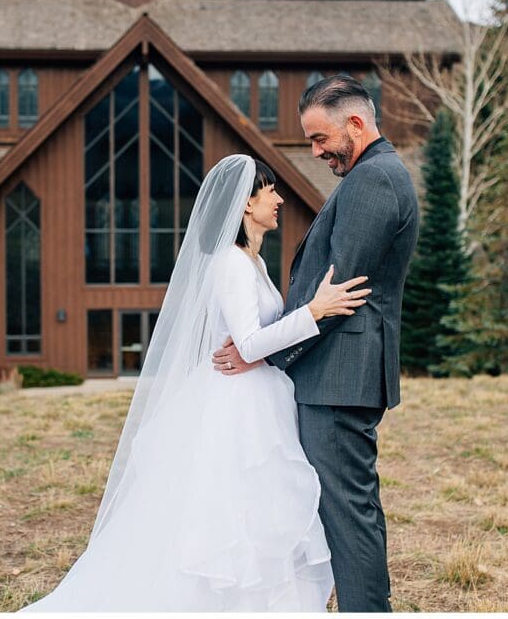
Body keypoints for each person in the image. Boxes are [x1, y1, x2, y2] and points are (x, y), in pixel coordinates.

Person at [21, 153, 372, 612]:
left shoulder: (253, 262)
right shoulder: (230, 263)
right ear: (246, 204)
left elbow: (251, 343)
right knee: (233, 516)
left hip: (258, 396)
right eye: (271, 192)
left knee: (259, 515)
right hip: (237, 408)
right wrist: (315, 311)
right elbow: (247, 343)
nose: (280, 200)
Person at [212, 74, 420, 612]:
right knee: (339, 507)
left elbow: (338, 287)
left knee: (347, 510)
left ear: (356, 123)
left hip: (340, 377)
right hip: (336, 374)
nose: (315, 152)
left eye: (320, 138)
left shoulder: (374, 180)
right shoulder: (372, 175)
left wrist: (260, 350)